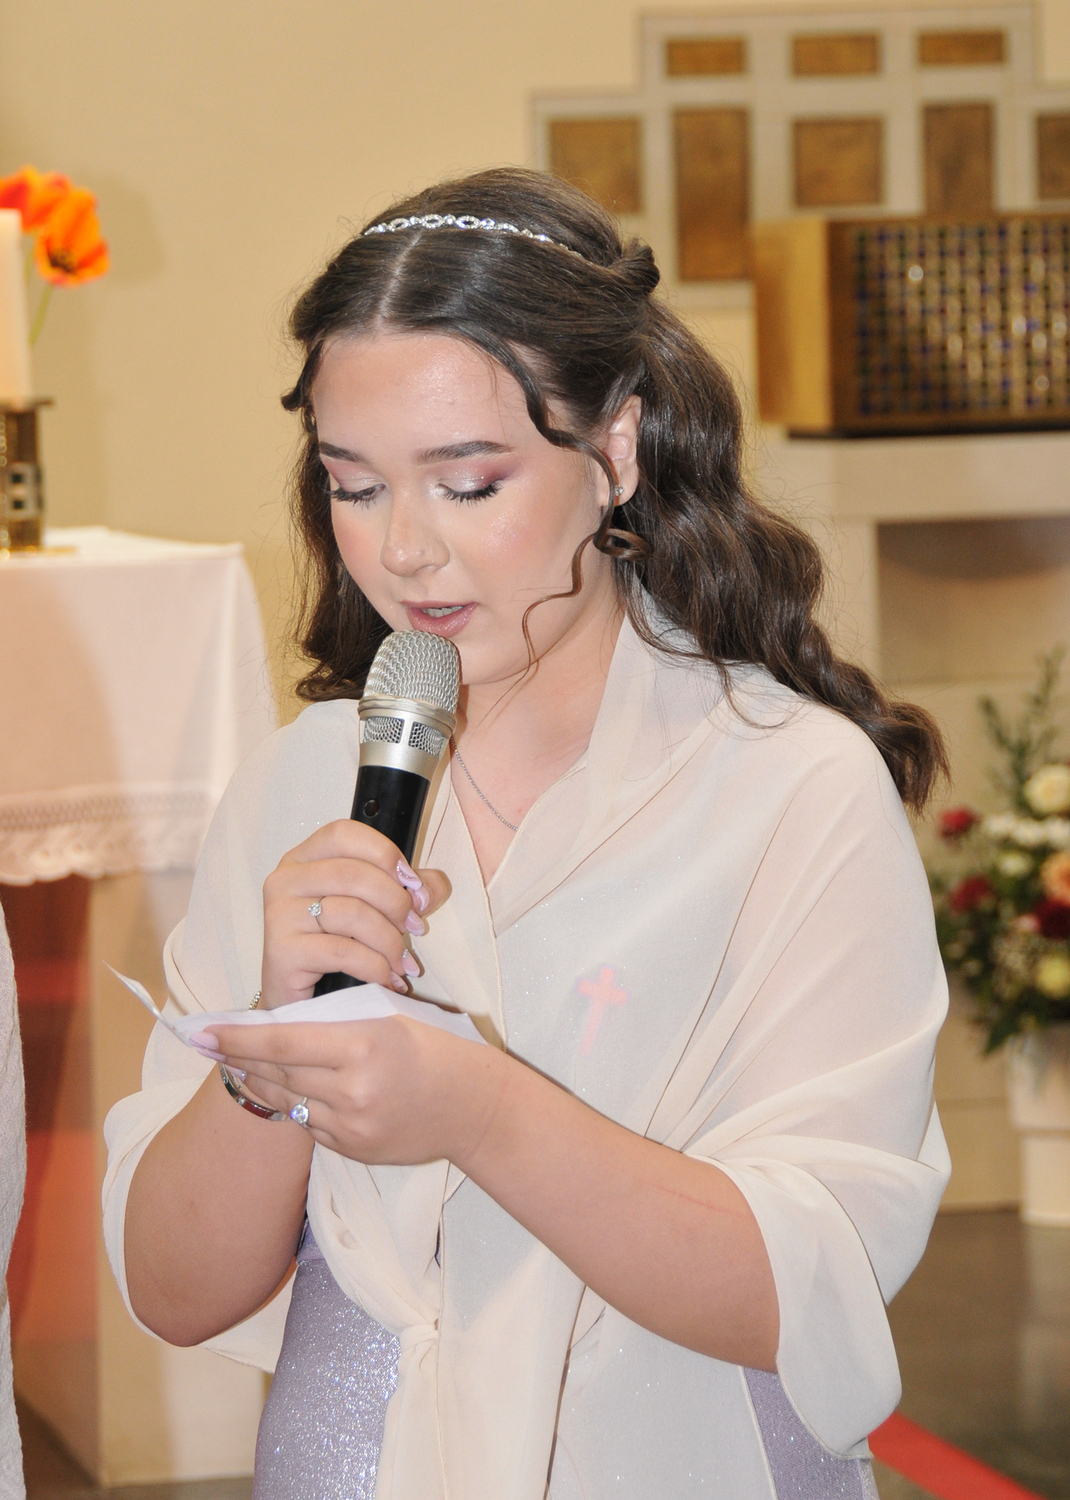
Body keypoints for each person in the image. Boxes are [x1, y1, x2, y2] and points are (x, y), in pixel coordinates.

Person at [103, 168, 951, 1500]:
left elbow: (806, 1292)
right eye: (355, 487)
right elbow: (171, 1290)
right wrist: (271, 1061)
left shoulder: (790, 787)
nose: (405, 553)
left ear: (616, 449)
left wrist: (478, 1109)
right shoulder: (302, 783)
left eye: (468, 483)